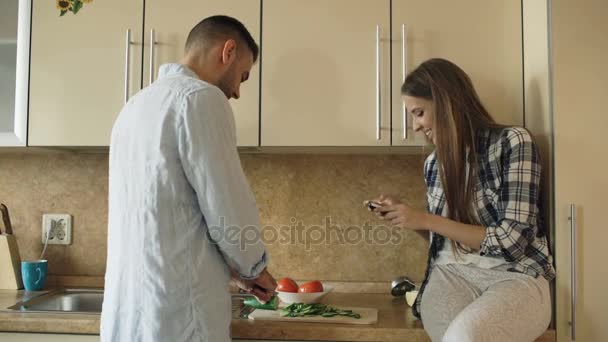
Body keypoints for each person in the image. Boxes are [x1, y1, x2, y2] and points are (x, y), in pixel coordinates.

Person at [101, 15, 277, 342]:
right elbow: (225, 202)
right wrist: (253, 267)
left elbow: (167, 214)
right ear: (228, 51)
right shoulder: (200, 98)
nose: (237, 91)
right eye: (243, 76)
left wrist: (233, 271)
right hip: (178, 313)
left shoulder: (135, 106)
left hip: (127, 314)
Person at [371, 58, 554, 342]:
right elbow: (446, 241)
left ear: (446, 103)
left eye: (419, 113)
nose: (416, 126)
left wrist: (425, 218)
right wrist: (408, 218)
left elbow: (513, 241)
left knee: (465, 336)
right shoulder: (434, 164)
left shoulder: (513, 143)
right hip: (451, 275)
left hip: (515, 276)